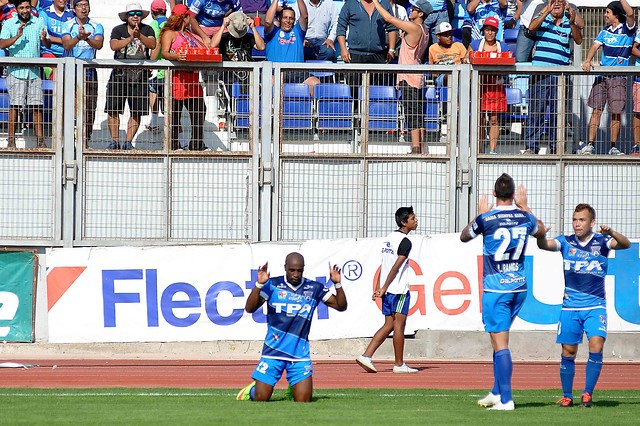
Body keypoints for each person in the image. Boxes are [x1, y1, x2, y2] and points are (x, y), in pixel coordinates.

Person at [460, 173, 545, 411]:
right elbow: (541, 231)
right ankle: (497, 392)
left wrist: (479, 213)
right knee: (496, 341)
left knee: (501, 343)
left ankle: (507, 400)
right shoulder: (524, 217)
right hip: (519, 286)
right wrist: (525, 206)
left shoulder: (487, 218)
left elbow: (464, 236)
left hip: (496, 288)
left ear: (495, 193)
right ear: (513, 193)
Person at [536, 204, 630, 408]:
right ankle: (567, 396)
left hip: (595, 307)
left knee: (596, 344)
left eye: (582, 220)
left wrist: (611, 231)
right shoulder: (565, 241)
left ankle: (587, 393)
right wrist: (540, 236)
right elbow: (544, 246)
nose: (577, 224)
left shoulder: (602, 241)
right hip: (570, 308)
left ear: (592, 222)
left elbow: (626, 244)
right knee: (568, 351)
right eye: (575, 219)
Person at [236, 253, 347, 402]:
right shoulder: (272, 285)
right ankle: (252, 390)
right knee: (261, 398)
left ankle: (293, 387)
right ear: (285, 268)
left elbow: (341, 306)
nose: (295, 274)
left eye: (299, 270)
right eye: (292, 270)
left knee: (303, 400)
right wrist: (259, 285)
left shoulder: (314, 288)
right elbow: (249, 308)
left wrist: (337, 284)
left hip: (299, 354)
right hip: (272, 351)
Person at [356, 206, 420, 374]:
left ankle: (366, 355)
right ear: (404, 222)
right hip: (398, 290)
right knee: (399, 326)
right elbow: (394, 268)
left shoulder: (388, 238)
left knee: (389, 324)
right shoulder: (405, 242)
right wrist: (383, 287)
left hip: (388, 290)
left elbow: (383, 265)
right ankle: (399, 364)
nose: (416, 221)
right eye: (413, 219)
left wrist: (379, 287)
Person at [522, 0, 583, 155]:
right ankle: (531, 147)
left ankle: (557, 149)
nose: (556, 5)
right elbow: (531, 27)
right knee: (536, 112)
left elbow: (579, 39)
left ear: (565, 5)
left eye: (559, 3)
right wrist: (546, 12)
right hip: (540, 74)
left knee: (559, 114)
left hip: (560, 76)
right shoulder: (543, 15)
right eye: (553, 2)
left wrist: (572, 23)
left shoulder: (569, 20)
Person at [373, 0, 432, 154]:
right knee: (418, 113)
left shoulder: (414, 28)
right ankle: (421, 147)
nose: (410, 10)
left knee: (412, 113)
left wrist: (375, 2)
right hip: (417, 75)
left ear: (421, 14)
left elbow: (389, 18)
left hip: (408, 76)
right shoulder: (425, 30)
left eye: (414, 9)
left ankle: (416, 148)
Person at [580, 0, 635, 156]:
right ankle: (590, 145)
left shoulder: (628, 30)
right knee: (596, 110)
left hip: (618, 78)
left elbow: (630, 13)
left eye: (607, 12)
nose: (605, 15)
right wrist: (588, 60)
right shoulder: (604, 30)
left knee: (616, 112)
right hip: (601, 77)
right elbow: (594, 46)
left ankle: (613, 147)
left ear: (616, 15)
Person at [105, 2, 156, 150]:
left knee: (137, 111)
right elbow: (114, 45)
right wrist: (130, 38)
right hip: (119, 74)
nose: (135, 16)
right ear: (126, 16)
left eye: (138, 14)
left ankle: (128, 141)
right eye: (132, 14)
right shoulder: (118, 29)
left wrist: (139, 35)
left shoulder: (147, 29)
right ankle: (114, 141)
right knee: (113, 109)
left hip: (140, 76)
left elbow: (152, 44)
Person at [0, 0, 51, 149]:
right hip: (16, 71)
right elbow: (2, 44)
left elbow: (47, 45)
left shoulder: (39, 21)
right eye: (21, 8)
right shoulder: (9, 24)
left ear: (31, 8)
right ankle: (11, 141)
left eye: (27, 7)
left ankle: (40, 141)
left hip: (34, 72)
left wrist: (44, 39)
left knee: (37, 106)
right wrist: (17, 36)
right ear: (16, 9)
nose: (25, 10)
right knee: (15, 105)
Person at [160, 4, 207, 151]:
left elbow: (206, 46)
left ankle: (197, 144)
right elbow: (165, 53)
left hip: (192, 78)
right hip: (177, 78)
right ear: (184, 18)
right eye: (188, 17)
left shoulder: (190, 34)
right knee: (174, 113)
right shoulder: (170, 33)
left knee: (200, 110)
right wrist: (176, 56)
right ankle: (173, 144)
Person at [61, 0, 104, 147]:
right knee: (68, 107)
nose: (83, 8)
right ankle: (67, 139)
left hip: (89, 72)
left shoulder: (96, 25)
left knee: (90, 107)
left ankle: (85, 140)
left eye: (86, 5)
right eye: (80, 5)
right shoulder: (67, 25)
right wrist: (78, 37)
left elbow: (99, 44)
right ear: (74, 9)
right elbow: (66, 44)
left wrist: (87, 38)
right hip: (70, 73)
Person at [468, 15, 508, 154]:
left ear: (497, 31)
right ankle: (477, 149)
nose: (490, 32)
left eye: (493, 30)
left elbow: (507, 65)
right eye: (487, 29)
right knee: (479, 118)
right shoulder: (474, 44)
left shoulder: (502, 46)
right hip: (479, 86)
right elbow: (468, 62)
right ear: (483, 31)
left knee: (494, 119)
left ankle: (492, 150)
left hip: (496, 87)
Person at [336, 0, 398, 86]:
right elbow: (341, 27)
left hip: (378, 55)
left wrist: (391, 50)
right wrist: (343, 49)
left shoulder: (384, 3)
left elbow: (392, 28)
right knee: (354, 90)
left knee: (377, 92)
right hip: (355, 55)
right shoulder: (350, 3)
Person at [264, 0, 320, 92]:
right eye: (285, 18)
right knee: (271, 81)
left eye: (291, 18)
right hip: (276, 72)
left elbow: (305, 17)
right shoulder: (273, 32)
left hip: (298, 72)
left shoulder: (298, 31)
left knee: (315, 83)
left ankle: (313, 107)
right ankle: (276, 106)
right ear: (279, 19)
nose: (288, 21)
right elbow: (267, 21)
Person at [147, 0, 168, 133]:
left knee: (153, 90)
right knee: (167, 99)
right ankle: (168, 124)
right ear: (165, 11)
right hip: (170, 67)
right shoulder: (171, 24)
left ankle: (154, 122)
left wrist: (151, 62)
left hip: (157, 66)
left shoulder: (153, 25)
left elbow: (153, 44)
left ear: (152, 12)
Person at [40, 0, 74, 80]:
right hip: (48, 52)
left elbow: (74, 37)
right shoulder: (44, 13)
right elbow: (44, 35)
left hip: (67, 54)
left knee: (68, 82)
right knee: (54, 81)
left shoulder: (72, 14)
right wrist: (65, 42)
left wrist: (67, 42)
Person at [429, 21, 468, 87]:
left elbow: (465, 62)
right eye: (446, 34)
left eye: (450, 34)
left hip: (459, 74)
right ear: (438, 36)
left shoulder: (459, 45)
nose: (449, 36)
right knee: (450, 76)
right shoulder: (433, 48)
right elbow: (432, 70)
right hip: (441, 77)